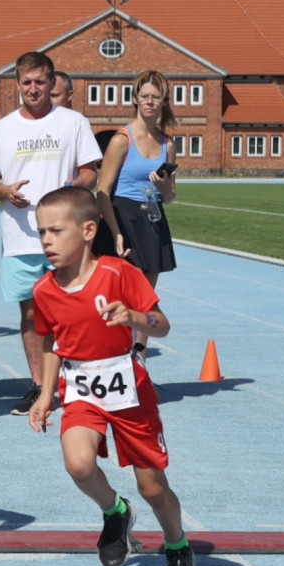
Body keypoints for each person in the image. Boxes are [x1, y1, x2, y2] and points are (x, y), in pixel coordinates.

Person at [28, 186, 198, 566]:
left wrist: (135, 316)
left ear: (88, 230)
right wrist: (45, 393)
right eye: (41, 232)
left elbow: (163, 324)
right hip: (82, 389)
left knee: (153, 487)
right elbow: (51, 343)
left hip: (128, 390)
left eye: (55, 230)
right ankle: (115, 513)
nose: (46, 241)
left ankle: (177, 548)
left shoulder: (119, 274)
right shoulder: (44, 291)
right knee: (79, 465)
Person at [0, 51, 102, 415]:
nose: (33, 89)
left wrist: (73, 187)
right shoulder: (2, 129)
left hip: (66, 237)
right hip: (21, 238)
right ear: (17, 85)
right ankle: (38, 385)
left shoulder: (74, 122)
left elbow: (90, 173)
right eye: (27, 83)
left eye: (40, 82)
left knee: (75, 310)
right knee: (31, 315)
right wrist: (5, 192)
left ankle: (76, 381)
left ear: (52, 83)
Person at [95, 69, 178, 357]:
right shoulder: (122, 140)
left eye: (156, 97)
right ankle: (111, 355)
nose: (150, 102)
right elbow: (103, 191)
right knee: (118, 295)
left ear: (164, 101)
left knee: (146, 300)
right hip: (122, 218)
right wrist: (116, 232)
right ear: (135, 99)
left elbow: (169, 197)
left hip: (153, 219)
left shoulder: (168, 144)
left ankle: (139, 360)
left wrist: (165, 187)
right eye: (145, 96)